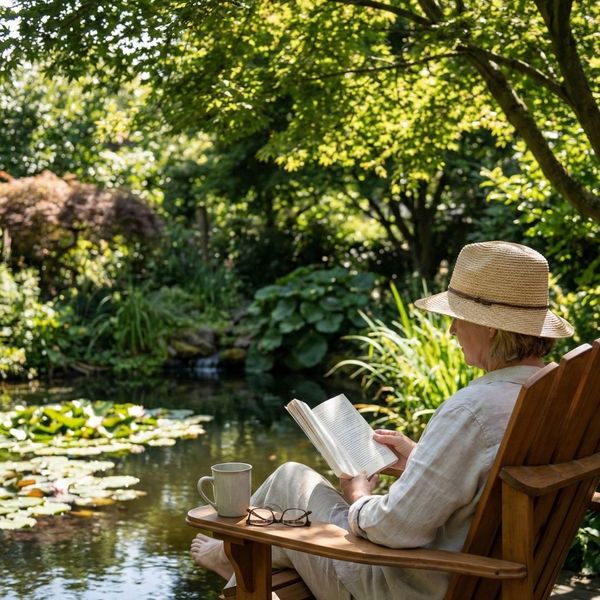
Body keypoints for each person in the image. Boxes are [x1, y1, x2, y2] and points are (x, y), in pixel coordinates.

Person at [190, 240, 574, 600]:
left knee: (290, 480)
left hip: (406, 582)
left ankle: (227, 556)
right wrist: (419, 459)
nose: (453, 328)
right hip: (494, 579)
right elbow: (496, 482)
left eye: (459, 318)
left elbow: (396, 528)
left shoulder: (472, 409)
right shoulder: (554, 393)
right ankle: (231, 560)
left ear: (491, 326)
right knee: (286, 529)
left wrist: (358, 493)